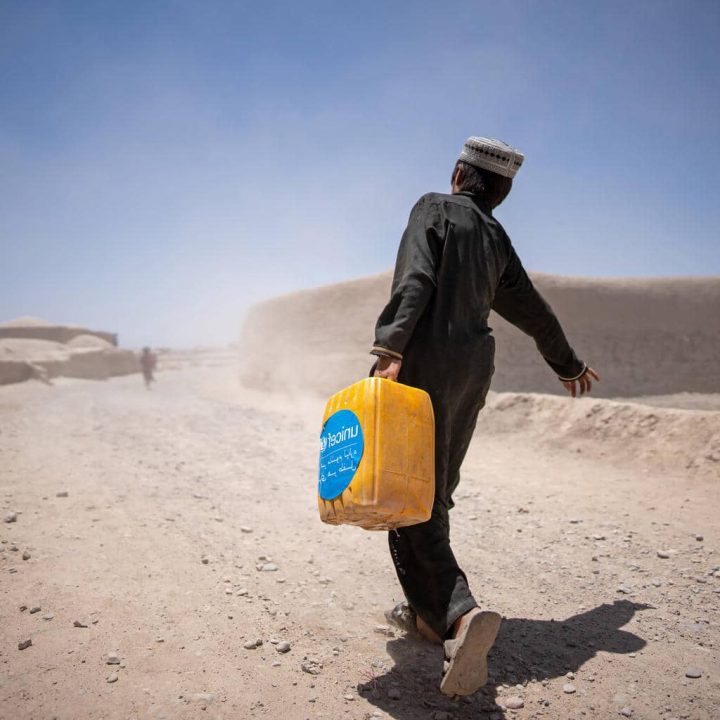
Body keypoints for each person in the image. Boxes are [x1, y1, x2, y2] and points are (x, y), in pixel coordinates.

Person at [371, 137, 600, 697]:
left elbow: (416, 279)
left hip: (422, 364)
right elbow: (531, 308)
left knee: (404, 496)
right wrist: (568, 364)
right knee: (434, 491)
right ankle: (428, 617)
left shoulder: (433, 208)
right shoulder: (496, 238)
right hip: (472, 370)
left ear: (457, 174)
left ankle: (459, 615)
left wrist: (390, 347)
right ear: (502, 192)